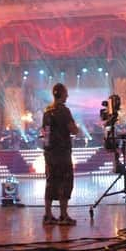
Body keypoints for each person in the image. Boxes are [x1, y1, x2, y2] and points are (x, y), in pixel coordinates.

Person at [42, 83, 79, 226]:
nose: (67, 96)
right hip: (62, 152)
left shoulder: (47, 112)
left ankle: (48, 215)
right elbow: (73, 130)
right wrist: (77, 130)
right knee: (65, 181)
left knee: (51, 181)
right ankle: (63, 215)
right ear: (62, 94)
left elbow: (45, 134)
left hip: (49, 152)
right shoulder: (64, 111)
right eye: (66, 93)